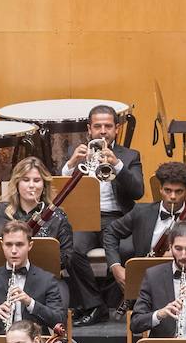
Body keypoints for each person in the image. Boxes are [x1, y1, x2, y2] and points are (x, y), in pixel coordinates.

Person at [0, 157, 102, 326]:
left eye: (37, 180)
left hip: (45, 283)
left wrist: (35, 260)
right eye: (26, 180)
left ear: (43, 185)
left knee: (57, 315)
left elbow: (67, 257)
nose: (31, 185)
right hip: (2, 281)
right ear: (17, 183)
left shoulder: (56, 216)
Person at [101, 161, 186, 309]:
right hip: (147, 287)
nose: (172, 196)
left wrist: (182, 257)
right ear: (160, 189)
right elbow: (110, 232)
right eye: (168, 190)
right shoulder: (141, 212)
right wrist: (115, 267)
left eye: (179, 191)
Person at [62, 105, 145, 258]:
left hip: (117, 217)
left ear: (117, 128)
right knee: (71, 252)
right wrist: (71, 164)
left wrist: (117, 165)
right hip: (85, 219)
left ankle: (110, 283)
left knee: (127, 252)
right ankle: (89, 284)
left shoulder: (130, 156)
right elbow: (60, 192)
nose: (102, 131)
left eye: (108, 126)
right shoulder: (75, 152)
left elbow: (138, 192)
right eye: (97, 126)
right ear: (89, 129)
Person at [0, 220, 67, 335]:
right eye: (8, 244)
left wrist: (31, 303)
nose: (13, 251)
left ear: (30, 245)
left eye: (19, 244)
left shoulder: (47, 280)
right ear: (2, 245)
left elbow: (59, 320)